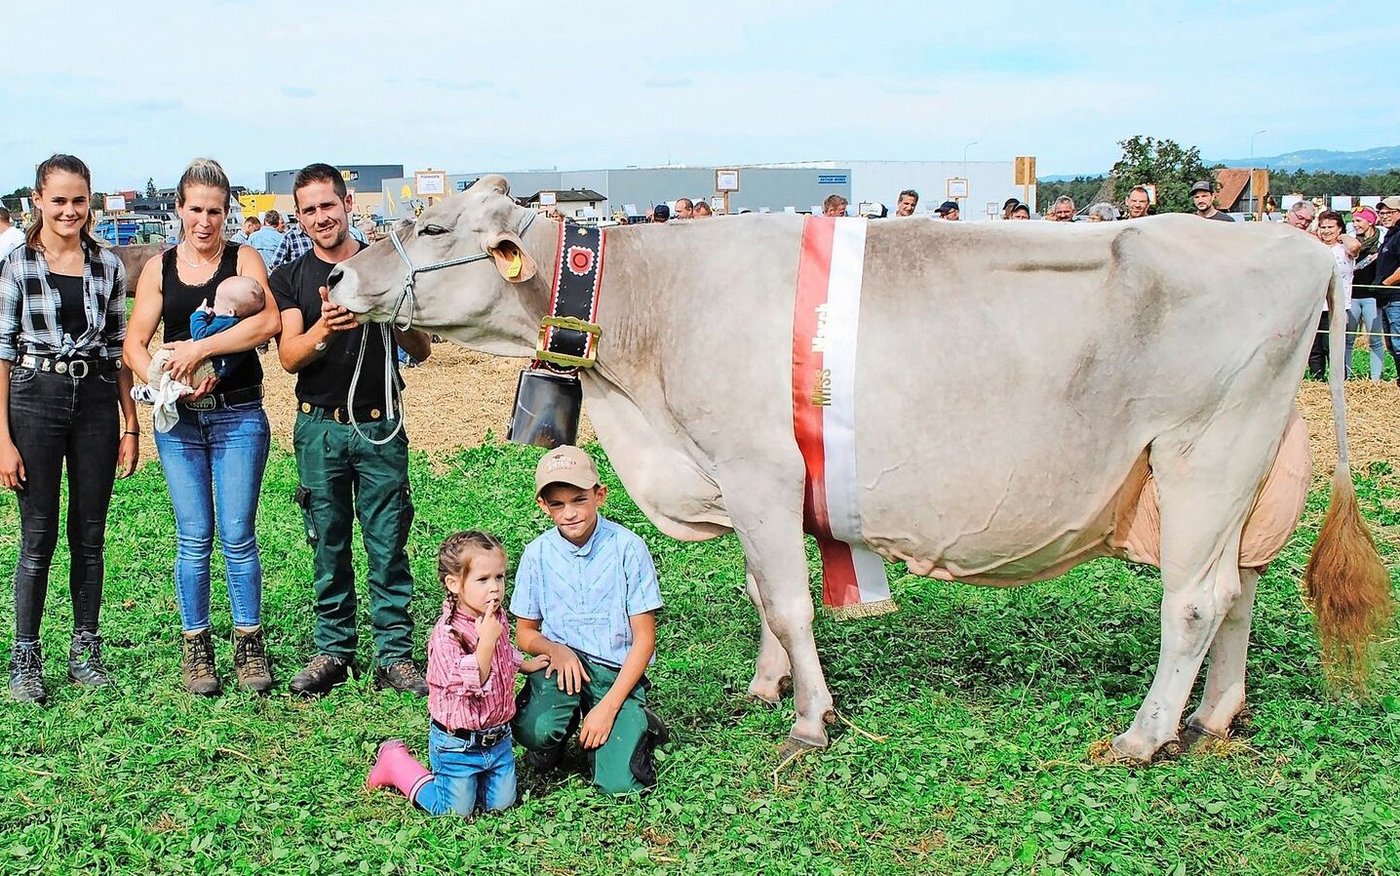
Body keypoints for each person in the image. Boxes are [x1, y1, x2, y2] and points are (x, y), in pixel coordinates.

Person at [271, 163, 433, 696]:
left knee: (388, 543)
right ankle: (334, 650)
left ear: (347, 204)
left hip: (379, 424)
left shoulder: (383, 263)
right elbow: (289, 357)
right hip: (319, 428)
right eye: (309, 210)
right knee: (328, 542)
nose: (321, 217)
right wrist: (324, 328)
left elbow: (422, 348)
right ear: (299, 218)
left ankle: (395, 655)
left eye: (328, 205)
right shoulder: (290, 278)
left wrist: (385, 312)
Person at [124, 157, 281, 697]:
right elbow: (133, 342)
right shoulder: (159, 268)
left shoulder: (244, 257)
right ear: (179, 208)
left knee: (238, 535)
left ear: (227, 212)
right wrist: (164, 377)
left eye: (215, 211)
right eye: (196, 209)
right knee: (193, 537)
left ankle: (249, 644)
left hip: (238, 414)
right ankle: (197, 646)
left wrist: (200, 350)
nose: (205, 221)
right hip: (181, 423)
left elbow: (268, 321)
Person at [1, 154, 140, 704]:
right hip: (34, 398)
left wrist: (131, 423)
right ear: (38, 200)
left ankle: (85, 647)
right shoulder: (16, 265)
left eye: (78, 200)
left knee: (90, 533)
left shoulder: (108, 265)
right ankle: (25, 656)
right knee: (37, 535)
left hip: (96, 401)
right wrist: (2, 439)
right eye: (58, 200)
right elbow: (2, 352)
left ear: (91, 202)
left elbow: (117, 348)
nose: (69, 210)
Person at [511, 445, 668, 796]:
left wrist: (607, 709)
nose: (569, 513)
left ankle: (635, 720)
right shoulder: (537, 554)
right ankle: (554, 736)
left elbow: (644, 639)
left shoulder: (628, 548)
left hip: (614, 671)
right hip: (561, 668)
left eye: (579, 500)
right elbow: (525, 633)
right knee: (533, 729)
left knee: (621, 786)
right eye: (557, 504)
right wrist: (556, 650)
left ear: (600, 495)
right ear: (543, 505)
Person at [365, 531, 550, 815]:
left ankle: (478, 779)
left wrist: (523, 663)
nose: (495, 588)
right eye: (483, 579)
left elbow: (502, 651)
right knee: (454, 812)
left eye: (499, 577)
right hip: (458, 745)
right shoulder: (447, 635)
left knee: (502, 805)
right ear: (453, 584)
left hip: (498, 739)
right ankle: (396, 764)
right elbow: (472, 683)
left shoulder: (494, 616)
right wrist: (485, 642)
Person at [133, 276, 266, 432]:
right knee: (180, 376)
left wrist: (198, 315)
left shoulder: (224, 321)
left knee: (163, 357)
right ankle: (173, 391)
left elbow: (201, 336)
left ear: (230, 312)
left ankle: (156, 391)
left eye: (217, 303)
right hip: (216, 371)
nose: (213, 307)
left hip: (207, 367)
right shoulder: (238, 325)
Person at [1308, 211, 1360, 379]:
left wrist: (1342, 236)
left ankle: (1338, 380)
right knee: (1314, 348)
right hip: (1314, 305)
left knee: (1331, 346)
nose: (1326, 231)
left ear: (1340, 228)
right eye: (1323, 227)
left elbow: (1355, 246)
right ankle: (1316, 379)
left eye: (1331, 227)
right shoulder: (1315, 247)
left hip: (1336, 305)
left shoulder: (1344, 249)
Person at [1346, 206, 1385, 380]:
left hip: (1372, 297)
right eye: (1354, 221)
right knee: (1348, 340)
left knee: (1375, 340)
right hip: (1352, 296)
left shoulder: (1381, 242)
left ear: (1370, 222)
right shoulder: (1351, 241)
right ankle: (1346, 375)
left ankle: (1375, 379)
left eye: (1359, 220)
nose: (1355, 224)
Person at [1372, 196, 1400, 383]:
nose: (1384, 216)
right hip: (1387, 299)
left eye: (1389, 212)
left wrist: (1385, 284)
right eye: (1381, 213)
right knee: (1392, 344)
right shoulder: (1391, 235)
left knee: (1398, 343)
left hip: (1396, 297)